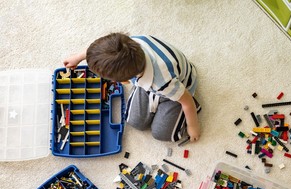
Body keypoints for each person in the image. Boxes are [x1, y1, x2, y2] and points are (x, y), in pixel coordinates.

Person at [63, 33, 201, 142]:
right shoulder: (127, 44)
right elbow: (98, 50)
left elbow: (186, 101)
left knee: (162, 134)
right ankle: (153, 96)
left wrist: (192, 126)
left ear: (124, 81)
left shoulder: (164, 82)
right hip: (149, 77)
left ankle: (188, 109)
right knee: (134, 122)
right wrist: (78, 57)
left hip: (179, 89)